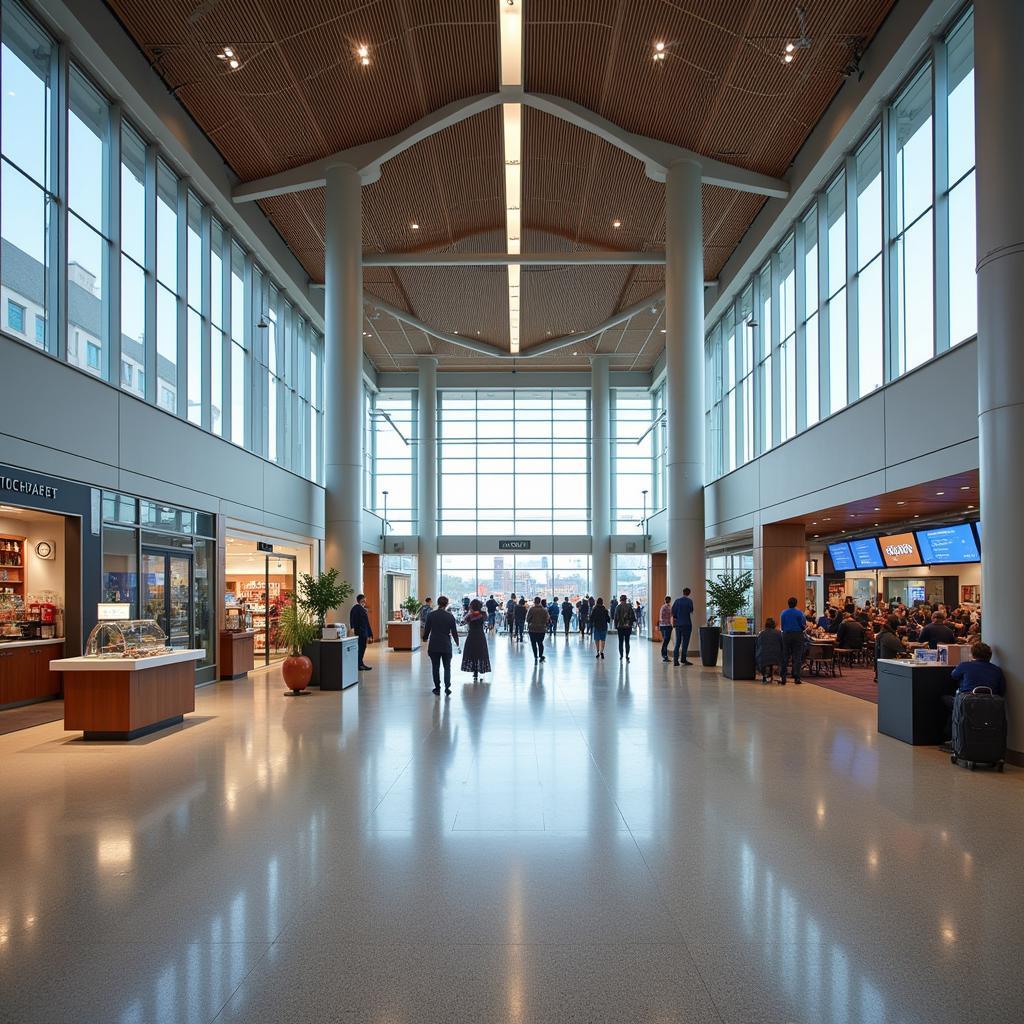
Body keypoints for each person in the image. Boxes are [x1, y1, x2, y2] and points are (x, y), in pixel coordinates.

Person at [942, 642, 1006, 745]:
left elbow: (954, 675)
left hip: (967, 701)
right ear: (990, 656)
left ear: (973, 654)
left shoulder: (965, 665)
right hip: (990, 704)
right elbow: (1001, 690)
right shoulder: (997, 670)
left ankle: (952, 736)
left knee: (947, 700)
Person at [422, 596, 460, 695]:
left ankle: (437, 688)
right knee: (447, 667)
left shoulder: (431, 615)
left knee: (435, 667)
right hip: (446, 645)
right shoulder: (450, 616)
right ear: (446, 604)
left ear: (438, 603)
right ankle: (447, 687)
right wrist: (457, 643)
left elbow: (427, 629)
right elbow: (454, 632)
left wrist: (425, 638)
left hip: (434, 645)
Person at [461, 598, 491, 681]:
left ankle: (475, 671)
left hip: (471, 636)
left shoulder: (470, 615)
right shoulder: (483, 614)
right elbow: (486, 620)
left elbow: (462, 622)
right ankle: (481, 669)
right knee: (481, 653)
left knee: (472, 653)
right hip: (480, 636)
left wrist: (469, 613)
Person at [779, 596, 806, 685]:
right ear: (796, 603)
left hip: (786, 635)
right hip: (797, 635)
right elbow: (803, 625)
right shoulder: (799, 613)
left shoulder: (783, 613)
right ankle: (796, 677)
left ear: (788, 603)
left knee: (785, 656)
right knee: (797, 656)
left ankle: (783, 677)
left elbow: (782, 626)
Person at [755, 617, 785, 684]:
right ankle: (779, 676)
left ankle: (764, 676)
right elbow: (782, 645)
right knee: (781, 656)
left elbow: (757, 645)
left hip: (763, 658)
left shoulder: (761, 634)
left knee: (761, 656)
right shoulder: (779, 633)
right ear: (774, 625)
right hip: (776, 657)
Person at [349, 594, 374, 671]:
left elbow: (366, 623)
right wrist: (353, 629)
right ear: (360, 600)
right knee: (361, 648)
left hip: (362, 632)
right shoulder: (357, 609)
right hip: (361, 632)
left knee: (362, 648)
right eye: (363, 600)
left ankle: (360, 663)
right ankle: (359, 664)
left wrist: (370, 634)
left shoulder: (359, 609)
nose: (365, 602)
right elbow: (354, 621)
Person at [671, 588, 695, 666]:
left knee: (678, 642)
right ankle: (683, 659)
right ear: (689, 593)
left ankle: (675, 660)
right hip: (687, 624)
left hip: (678, 624)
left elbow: (673, 612)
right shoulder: (689, 601)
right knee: (685, 642)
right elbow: (691, 610)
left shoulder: (677, 601)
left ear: (683, 592)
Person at [613, 594, 636, 661]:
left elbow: (616, 617)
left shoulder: (618, 607)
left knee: (620, 642)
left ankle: (621, 656)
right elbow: (632, 617)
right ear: (625, 599)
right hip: (628, 627)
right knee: (627, 641)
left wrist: (615, 626)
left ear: (620, 600)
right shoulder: (629, 606)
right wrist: (631, 623)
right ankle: (627, 655)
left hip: (620, 627)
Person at [526, 596, 549, 662]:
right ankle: (540, 655)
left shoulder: (531, 609)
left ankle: (535, 655)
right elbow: (547, 620)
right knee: (540, 643)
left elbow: (527, 619)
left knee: (533, 643)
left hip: (532, 629)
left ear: (534, 602)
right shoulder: (544, 610)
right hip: (542, 629)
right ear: (540, 601)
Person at [658, 596, 673, 662]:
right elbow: (662, 617)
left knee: (666, 640)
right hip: (666, 626)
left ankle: (665, 655)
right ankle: (664, 655)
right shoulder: (667, 607)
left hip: (664, 626)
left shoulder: (664, 607)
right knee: (666, 640)